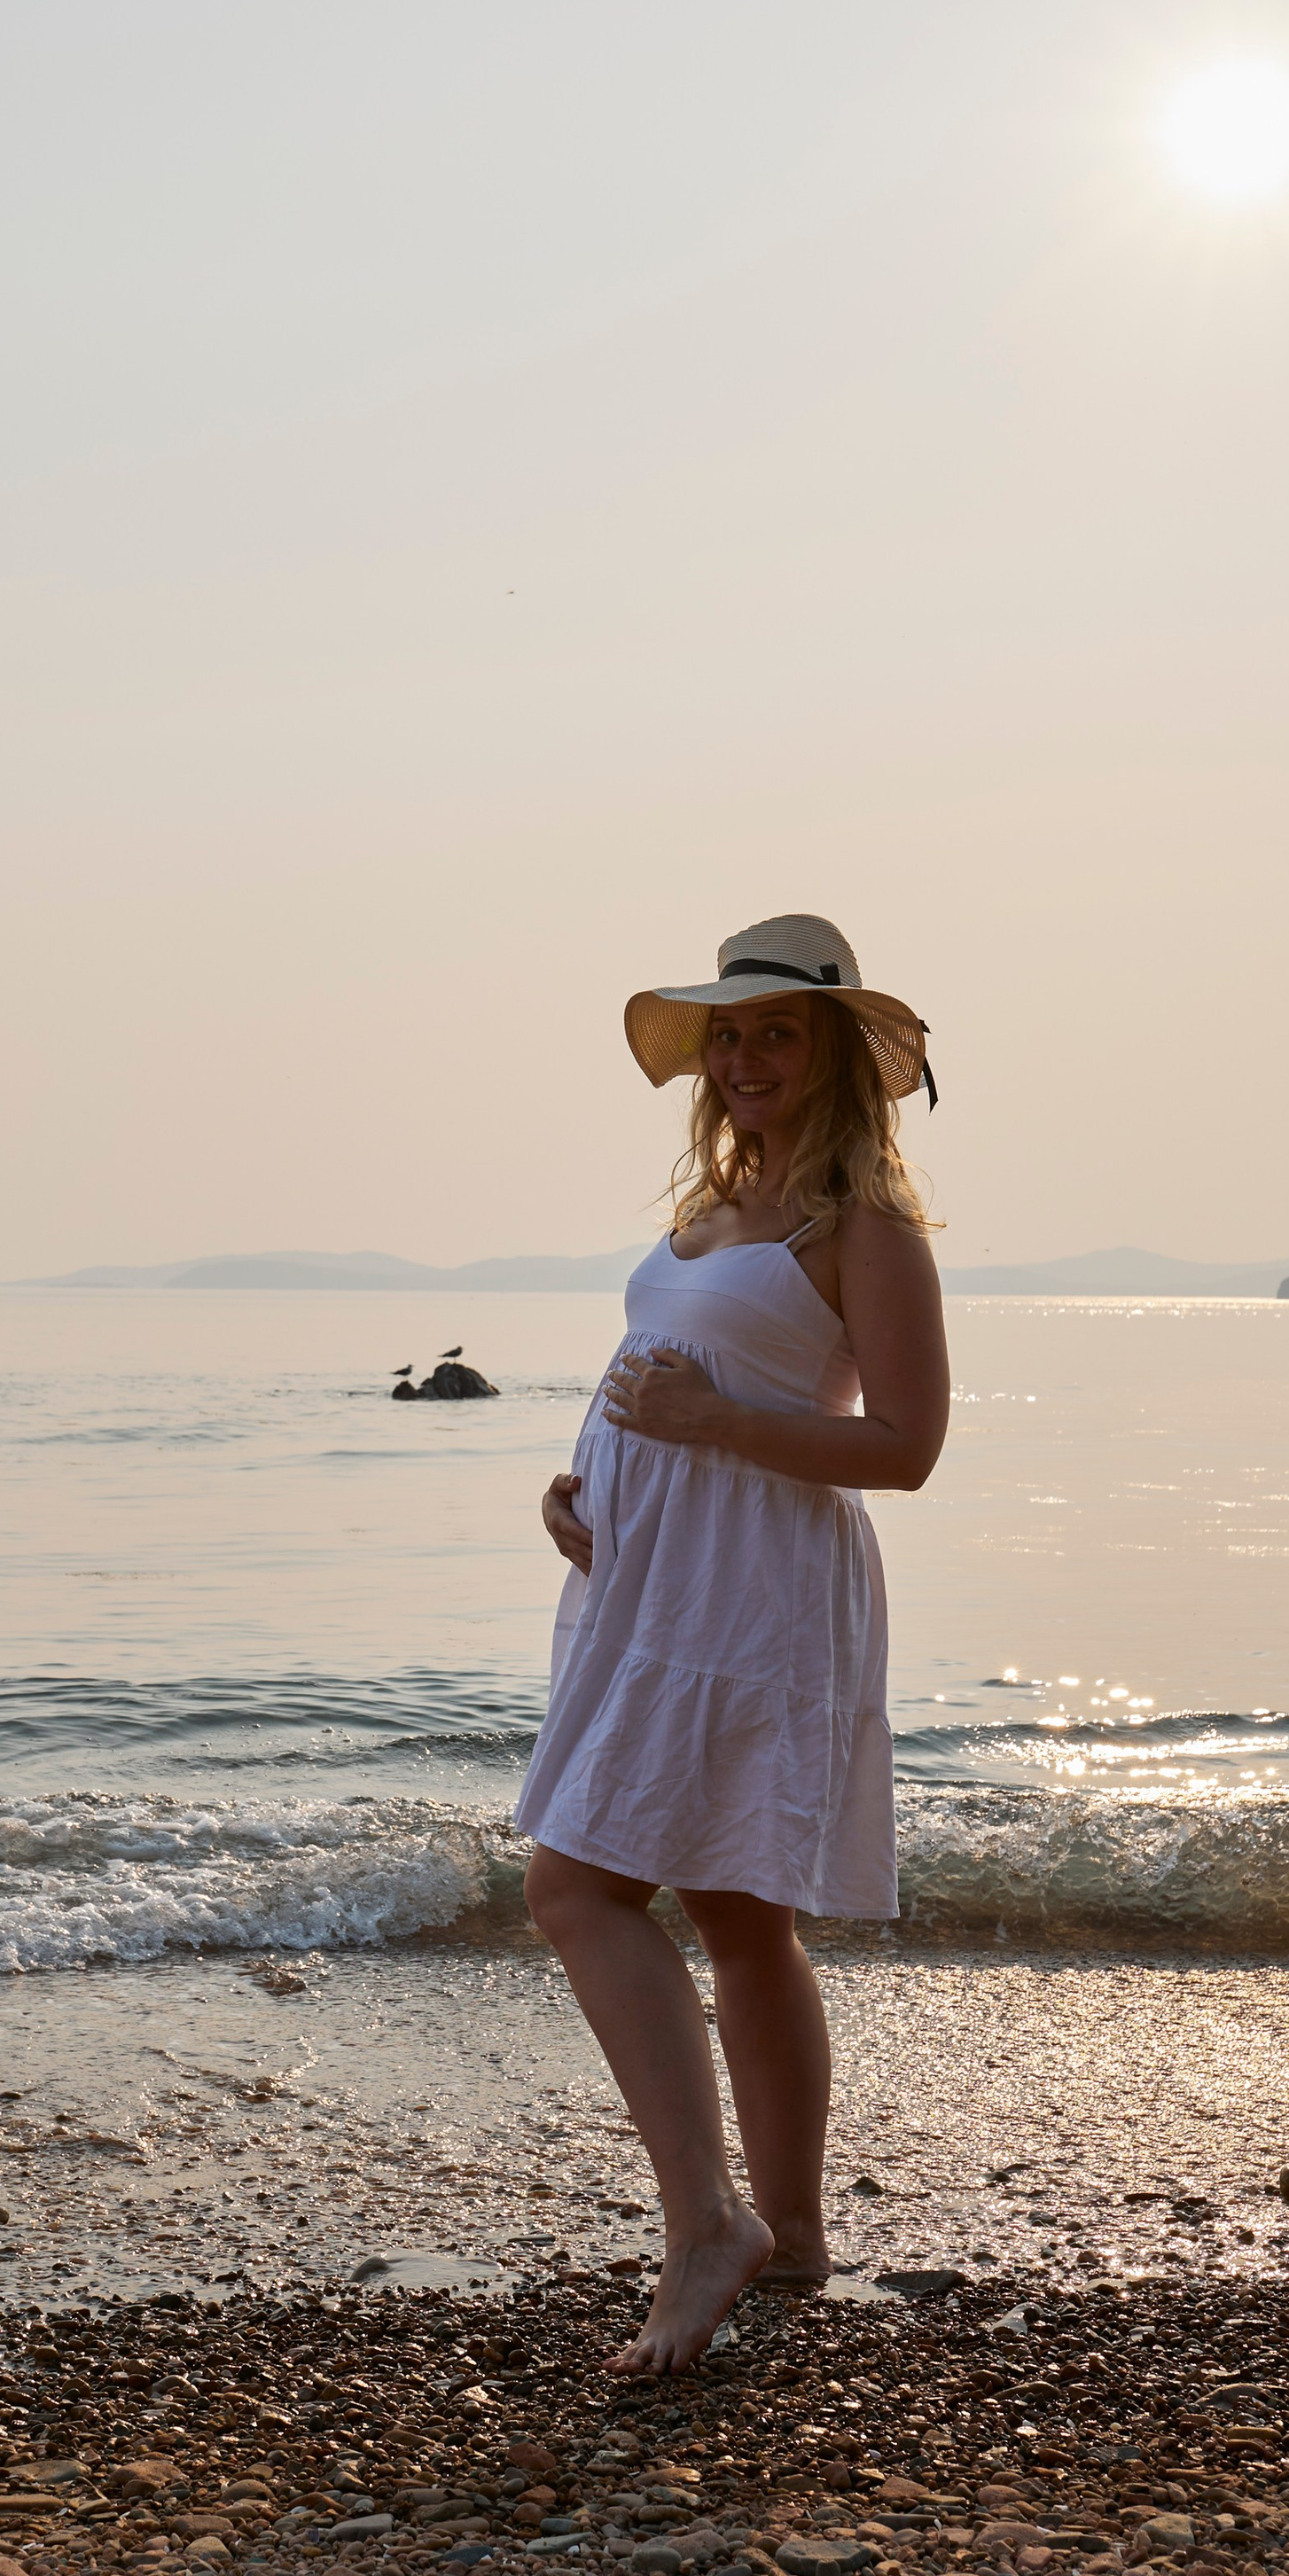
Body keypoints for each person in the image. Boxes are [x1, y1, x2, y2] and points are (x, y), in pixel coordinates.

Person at [516, 914, 950, 2377]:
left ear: (835, 1056)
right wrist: (587, 1490)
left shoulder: (859, 1227)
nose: (747, 1055)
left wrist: (703, 1432)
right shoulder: (710, 1206)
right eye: (730, 1032)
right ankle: (796, 2236)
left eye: (779, 1032)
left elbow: (906, 1446)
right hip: (651, 1585)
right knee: (740, 1912)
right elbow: (660, 1385)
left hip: (752, 1599)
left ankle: (708, 2226)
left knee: (576, 1888)